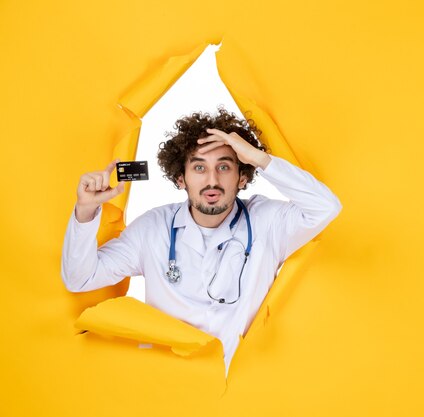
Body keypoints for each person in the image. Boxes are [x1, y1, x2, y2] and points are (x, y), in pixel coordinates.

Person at [61, 109, 342, 372]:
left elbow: (326, 207)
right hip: (168, 385)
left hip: (241, 386)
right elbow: (80, 279)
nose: (211, 180)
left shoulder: (267, 222)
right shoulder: (153, 228)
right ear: (180, 178)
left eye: (224, 167)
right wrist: (85, 211)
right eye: (198, 168)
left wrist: (259, 158)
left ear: (242, 176)